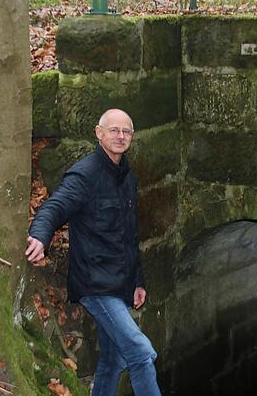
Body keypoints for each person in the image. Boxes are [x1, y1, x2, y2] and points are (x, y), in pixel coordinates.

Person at [25, 109, 161, 396]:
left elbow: (128, 236)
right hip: (94, 283)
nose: (120, 136)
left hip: (118, 282)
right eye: (114, 130)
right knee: (141, 353)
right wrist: (40, 235)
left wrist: (137, 281)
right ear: (99, 133)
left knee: (113, 360)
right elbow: (55, 206)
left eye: (126, 132)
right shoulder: (85, 174)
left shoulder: (127, 177)